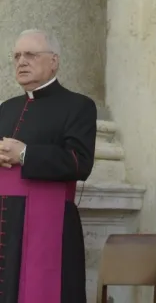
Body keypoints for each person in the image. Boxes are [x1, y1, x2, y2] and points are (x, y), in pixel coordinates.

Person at [0, 29, 96, 302]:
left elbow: (80, 162)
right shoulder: (6, 108)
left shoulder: (78, 106)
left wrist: (26, 154)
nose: (21, 61)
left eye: (30, 54)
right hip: (6, 222)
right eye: (16, 56)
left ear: (54, 61)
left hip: (48, 223)